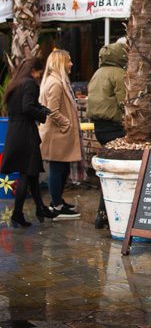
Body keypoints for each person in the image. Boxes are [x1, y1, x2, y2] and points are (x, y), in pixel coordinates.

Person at [1, 58, 58, 226]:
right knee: (27, 172)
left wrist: (39, 107)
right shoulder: (30, 84)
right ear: (34, 70)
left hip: (14, 133)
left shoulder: (15, 83)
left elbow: (23, 105)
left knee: (31, 172)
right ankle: (17, 213)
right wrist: (43, 114)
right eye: (40, 72)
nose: (41, 75)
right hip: (26, 134)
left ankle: (40, 207)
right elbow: (27, 107)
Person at [87, 38, 127, 229]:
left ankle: (101, 213)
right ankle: (106, 213)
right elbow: (125, 102)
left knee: (107, 169)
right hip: (115, 127)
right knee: (115, 171)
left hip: (99, 128)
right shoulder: (118, 74)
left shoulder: (97, 73)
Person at [39, 50, 82, 219]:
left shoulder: (55, 81)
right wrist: (67, 124)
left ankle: (58, 201)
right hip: (57, 135)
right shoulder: (56, 83)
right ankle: (57, 206)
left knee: (61, 169)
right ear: (59, 63)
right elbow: (52, 111)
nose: (71, 64)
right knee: (58, 169)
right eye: (68, 61)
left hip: (58, 134)